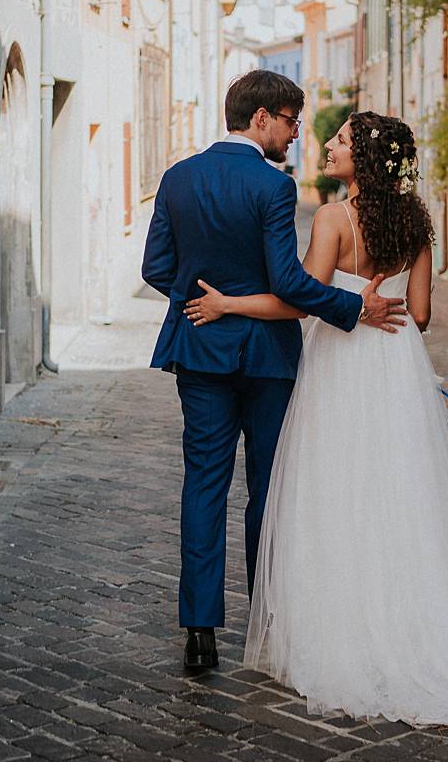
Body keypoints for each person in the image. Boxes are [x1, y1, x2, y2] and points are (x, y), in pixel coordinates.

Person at [184, 110, 448, 727]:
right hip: (395, 365)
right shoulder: (416, 221)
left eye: (338, 141)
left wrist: (229, 302)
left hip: (340, 361)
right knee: (403, 490)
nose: (328, 146)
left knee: (336, 489)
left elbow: (299, 303)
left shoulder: (333, 219)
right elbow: (419, 315)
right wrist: (376, 306)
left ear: (362, 157)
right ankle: (414, 617)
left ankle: (344, 622)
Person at [141, 72, 406, 674]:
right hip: (267, 355)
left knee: (203, 483)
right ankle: (267, 616)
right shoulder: (271, 186)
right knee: (270, 487)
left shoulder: (178, 178)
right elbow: (287, 283)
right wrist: (351, 307)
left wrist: (197, 301)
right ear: (261, 118)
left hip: (200, 347)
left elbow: (156, 266)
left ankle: (200, 632)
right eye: (289, 121)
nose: (295, 134)